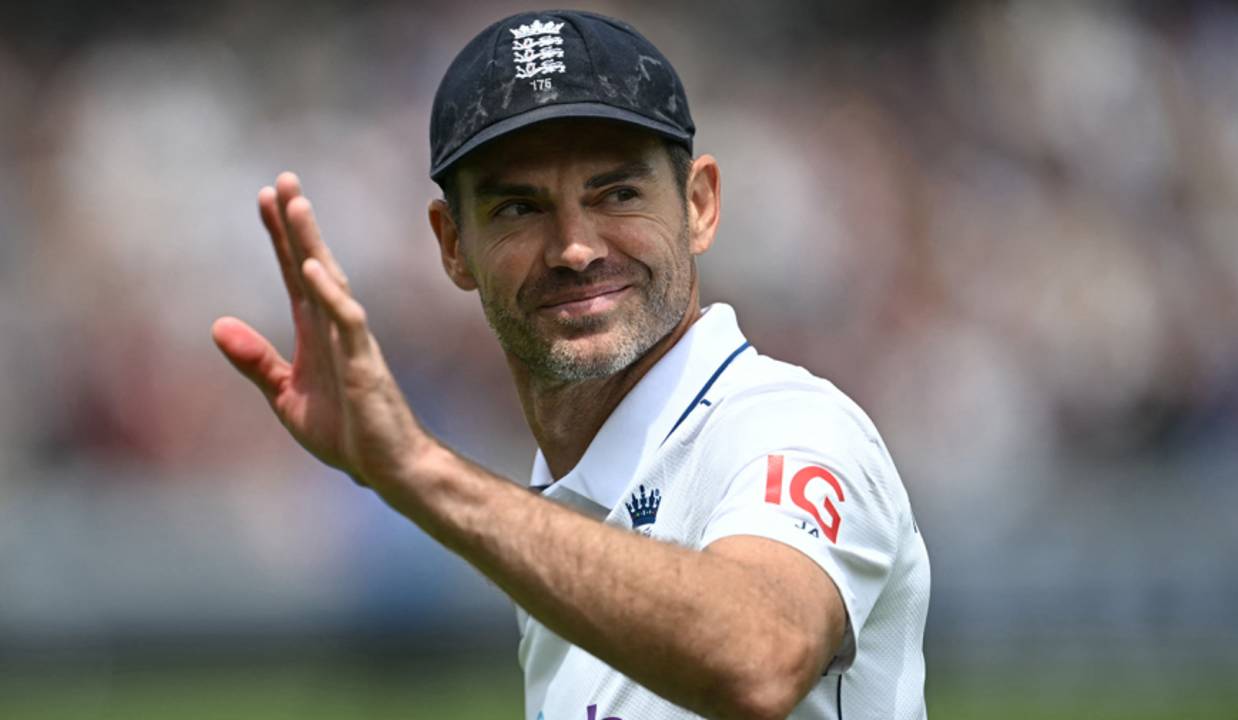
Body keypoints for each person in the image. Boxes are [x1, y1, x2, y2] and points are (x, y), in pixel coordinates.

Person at [211, 9, 929, 720]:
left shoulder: (791, 428)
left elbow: (759, 656)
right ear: (453, 245)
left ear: (700, 205)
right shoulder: (563, 524)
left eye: (616, 194)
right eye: (519, 208)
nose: (575, 248)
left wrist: (415, 468)